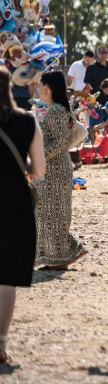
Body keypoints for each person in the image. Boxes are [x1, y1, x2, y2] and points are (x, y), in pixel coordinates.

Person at [0, 66, 46, 364]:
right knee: (6, 278)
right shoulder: (27, 121)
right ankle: (0, 343)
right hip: (13, 202)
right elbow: (39, 170)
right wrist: (22, 170)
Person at [35, 70, 87, 269]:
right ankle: (62, 255)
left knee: (52, 212)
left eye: (40, 85)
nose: (38, 88)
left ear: (46, 89)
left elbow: (59, 142)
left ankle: (61, 257)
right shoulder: (57, 109)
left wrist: (38, 155)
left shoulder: (56, 111)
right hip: (55, 167)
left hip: (55, 168)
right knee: (51, 212)